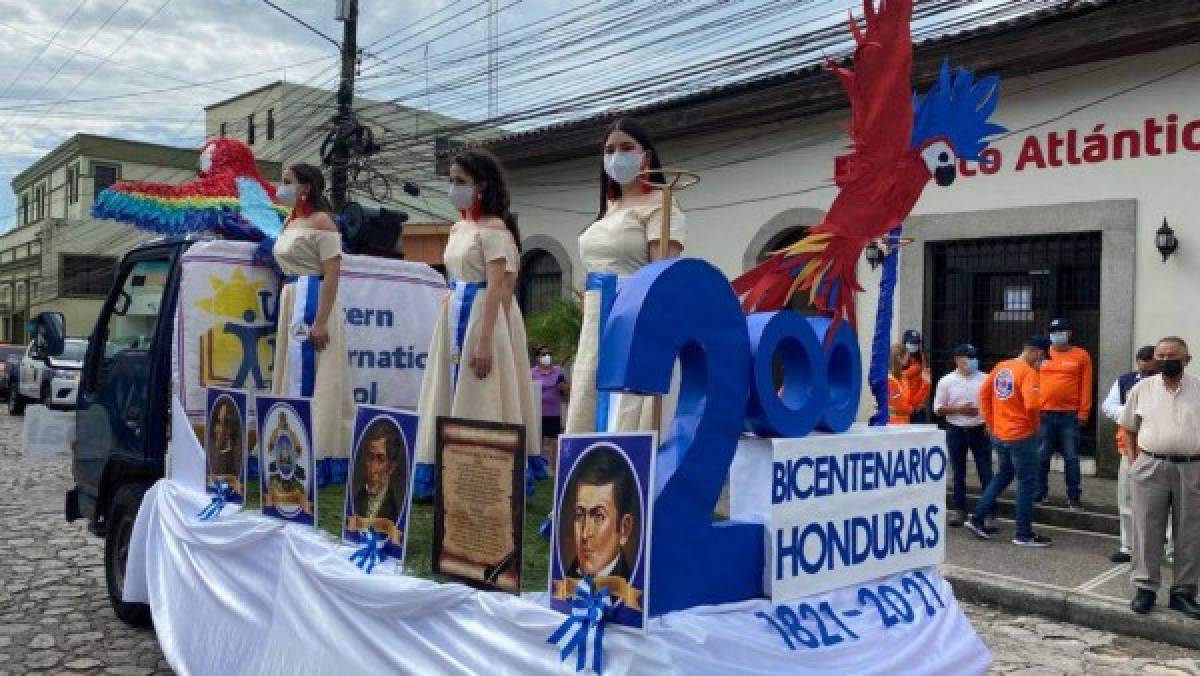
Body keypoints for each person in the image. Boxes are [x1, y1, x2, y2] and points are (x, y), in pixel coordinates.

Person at [413, 150, 538, 496]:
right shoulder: (459, 228)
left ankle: (482, 471)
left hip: (484, 315)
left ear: (481, 186)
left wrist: (484, 340)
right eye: (451, 180)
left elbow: (500, 284)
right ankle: (443, 468)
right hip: (455, 310)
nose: (454, 188)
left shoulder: (495, 230)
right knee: (448, 388)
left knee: (482, 389)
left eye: (461, 181)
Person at [564, 117, 685, 436]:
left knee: (627, 408)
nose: (617, 155)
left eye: (626, 147)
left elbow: (662, 276)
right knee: (590, 399)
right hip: (596, 318)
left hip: (635, 316)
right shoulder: (608, 208)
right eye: (609, 149)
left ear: (646, 155)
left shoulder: (661, 204)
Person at [270, 164, 354, 466]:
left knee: (319, 374)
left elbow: (332, 273)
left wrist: (320, 321)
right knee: (291, 370)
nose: (282, 188)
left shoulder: (324, 223)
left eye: (287, 182)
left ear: (305, 187)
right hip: (292, 297)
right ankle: (287, 437)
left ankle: (320, 449)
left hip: (314, 300)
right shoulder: (290, 222)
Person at [1119, 336, 1200, 618]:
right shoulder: (1142, 388)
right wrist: (1133, 461)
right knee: (1146, 530)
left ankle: (1183, 592)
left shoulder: (1199, 389)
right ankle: (1145, 589)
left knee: (1190, 532)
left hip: (1192, 469)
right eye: (1161, 356)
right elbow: (1128, 427)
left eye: (1172, 355)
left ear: (1187, 358)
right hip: (1151, 465)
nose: (1166, 360)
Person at [967, 336, 1053, 547]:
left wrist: (990, 421)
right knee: (1026, 483)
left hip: (1000, 433)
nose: (1041, 362)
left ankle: (977, 518)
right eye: (1042, 358)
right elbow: (1032, 406)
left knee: (1003, 475)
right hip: (1021, 435)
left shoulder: (1001, 367)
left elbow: (984, 395)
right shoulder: (1028, 372)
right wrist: (1034, 427)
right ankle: (1023, 533)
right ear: (1037, 352)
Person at [1101, 345, 1157, 564]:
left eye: (1150, 372)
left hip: (1158, 452)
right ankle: (1128, 546)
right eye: (1142, 370)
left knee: (1168, 503)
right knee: (1126, 499)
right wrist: (1130, 413)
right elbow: (1108, 406)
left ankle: (1169, 545)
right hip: (1129, 450)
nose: (1145, 375)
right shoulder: (1125, 380)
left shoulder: (1165, 383)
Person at [1035, 318, 1094, 510]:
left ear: (1069, 333)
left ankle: (1074, 497)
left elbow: (1086, 385)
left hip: (1069, 416)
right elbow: (1032, 383)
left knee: (1071, 458)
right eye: (1053, 331)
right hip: (1043, 414)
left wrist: (1084, 412)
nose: (1056, 334)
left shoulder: (1081, 355)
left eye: (1060, 330)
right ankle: (1039, 493)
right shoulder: (1041, 354)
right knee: (1041, 457)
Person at [933, 343, 992, 527]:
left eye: (974, 357)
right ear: (958, 360)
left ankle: (989, 512)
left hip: (979, 429)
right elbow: (938, 409)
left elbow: (995, 404)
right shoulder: (946, 381)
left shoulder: (986, 379)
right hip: (956, 428)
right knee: (958, 473)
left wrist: (990, 422)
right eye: (969, 357)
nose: (973, 360)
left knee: (986, 472)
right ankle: (960, 510)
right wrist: (958, 409)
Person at [565, 445, 637, 579]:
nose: (585, 534)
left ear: (624, 529)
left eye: (598, 516)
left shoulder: (630, 583)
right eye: (579, 515)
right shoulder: (567, 576)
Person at [353, 421, 407, 523]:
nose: (373, 468)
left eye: (381, 459)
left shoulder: (395, 508)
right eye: (370, 457)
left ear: (391, 467)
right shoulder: (358, 497)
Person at [531, 345, 568, 462]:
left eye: (549, 354)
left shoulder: (558, 371)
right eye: (543, 354)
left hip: (554, 413)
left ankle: (554, 467)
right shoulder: (532, 372)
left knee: (555, 441)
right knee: (537, 441)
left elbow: (568, 387)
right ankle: (538, 467)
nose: (547, 356)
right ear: (537, 357)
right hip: (537, 412)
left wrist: (564, 387)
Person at [887, 342, 929, 424]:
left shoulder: (903, 378)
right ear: (899, 358)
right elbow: (901, 406)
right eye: (907, 355)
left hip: (904, 424)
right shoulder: (889, 379)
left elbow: (912, 402)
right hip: (890, 425)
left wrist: (925, 384)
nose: (909, 358)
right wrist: (911, 409)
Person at [207, 396, 242, 482]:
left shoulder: (240, 458)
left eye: (222, 424)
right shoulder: (207, 452)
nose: (216, 430)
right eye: (217, 422)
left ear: (230, 429)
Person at [902, 329, 932, 423]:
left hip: (917, 407)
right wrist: (913, 369)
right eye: (911, 343)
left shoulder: (921, 357)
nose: (914, 346)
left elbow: (926, 381)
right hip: (903, 406)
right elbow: (896, 376)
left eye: (916, 343)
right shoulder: (899, 356)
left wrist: (921, 404)